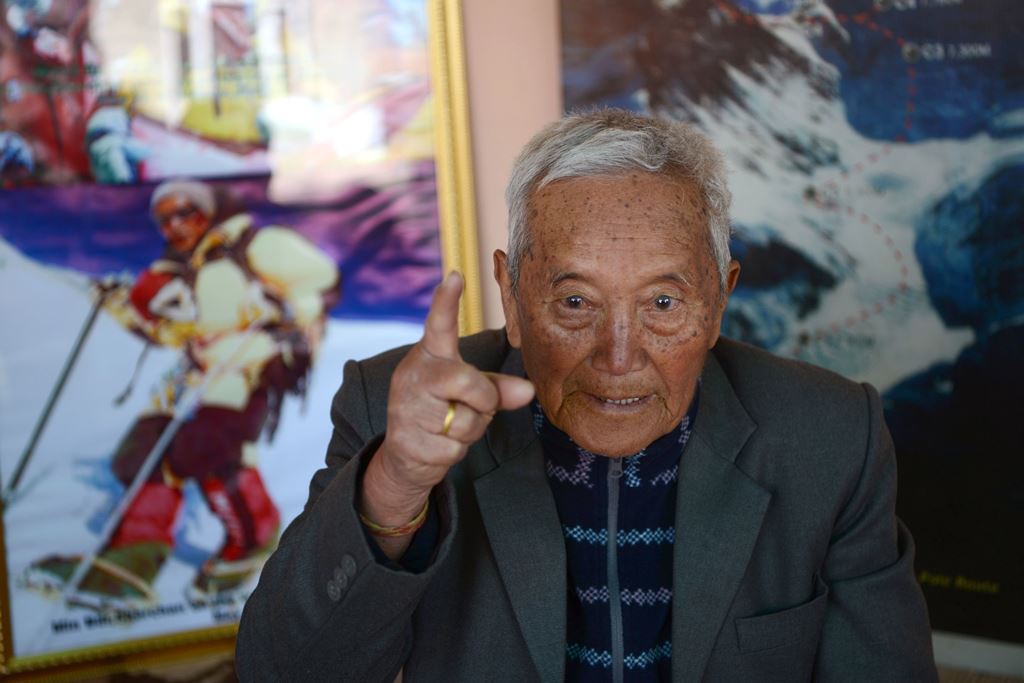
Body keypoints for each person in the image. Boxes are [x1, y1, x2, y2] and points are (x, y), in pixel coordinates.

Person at [235, 110, 937, 681]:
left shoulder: (830, 436)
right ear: (511, 295)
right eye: (575, 300)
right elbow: (278, 671)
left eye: (663, 301)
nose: (620, 355)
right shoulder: (398, 408)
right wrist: (394, 485)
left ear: (720, 301)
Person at [26, 178, 340, 608]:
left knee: (193, 453)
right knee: (144, 452)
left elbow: (320, 281)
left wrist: (294, 314)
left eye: (185, 211)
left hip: (247, 373)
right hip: (195, 381)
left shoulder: (254, 245)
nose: (174, 225)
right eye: (164, 218)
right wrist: (123, 307)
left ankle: (204, 548)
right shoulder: (185, 269)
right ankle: (194, 549)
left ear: (208, 209)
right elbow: (176, 332)